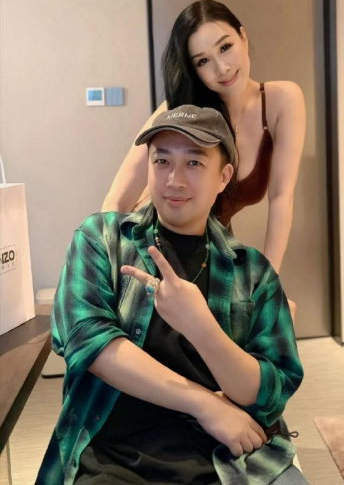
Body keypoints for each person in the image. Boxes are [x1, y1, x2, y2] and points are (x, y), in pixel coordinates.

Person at [36, 106, 308, 485]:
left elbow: (269, 393)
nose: (174, 180)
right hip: (114, 456)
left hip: (226, 457)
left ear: (223, 176)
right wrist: (204, 403)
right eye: (162, 160)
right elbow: (87, 341)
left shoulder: (253, 272)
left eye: (194, 163)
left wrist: (201, 328)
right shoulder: (102, 239)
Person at [102, 0, 306, 319]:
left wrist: (268, 285)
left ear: (243, 37)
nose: (221, 68)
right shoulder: (181, 110)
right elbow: (117, 200)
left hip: (204, 251)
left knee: (275, 318)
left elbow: (282, 197)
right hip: (153, 247)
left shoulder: (282, 100)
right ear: (193, 68)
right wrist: (103, 273)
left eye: (225, 47)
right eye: (203, 61)